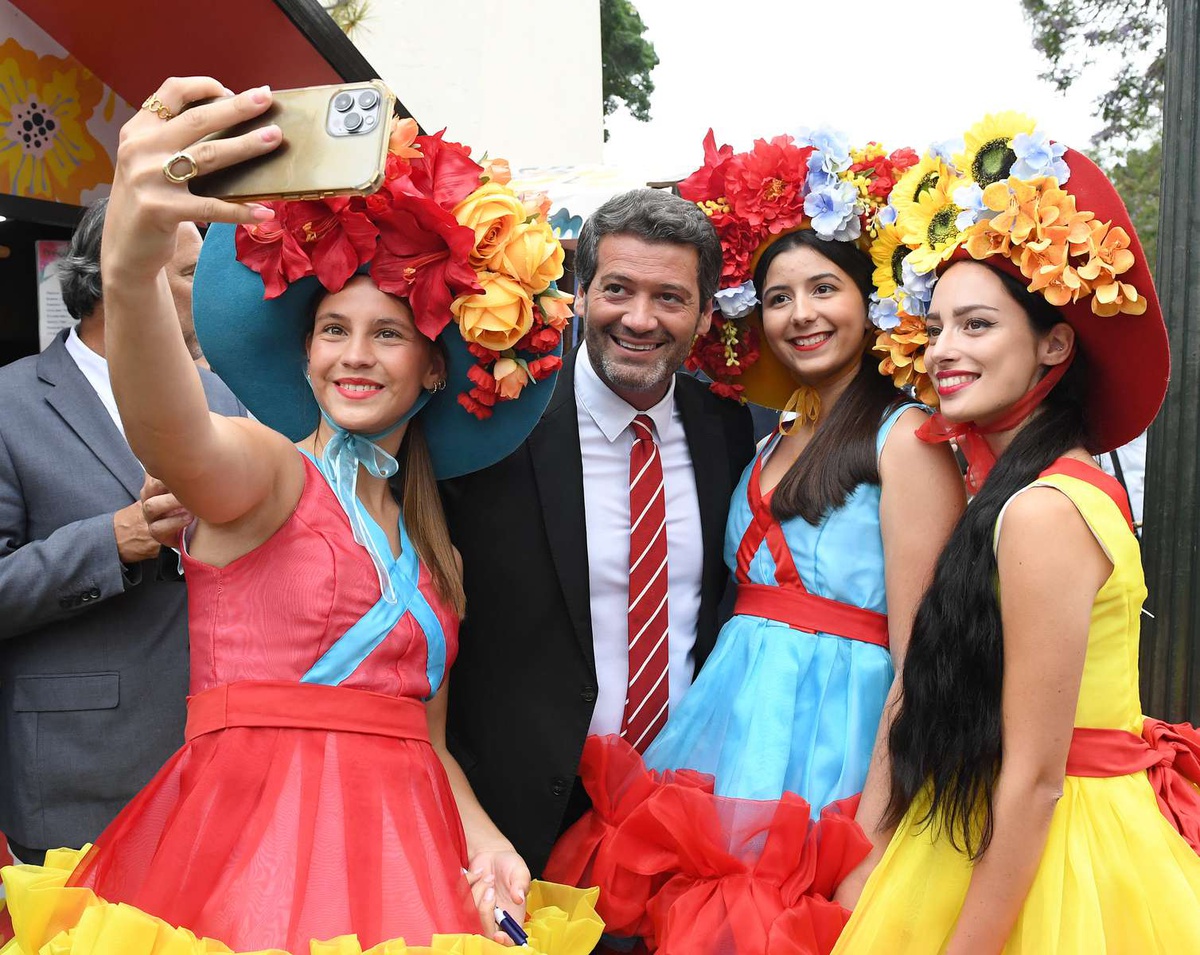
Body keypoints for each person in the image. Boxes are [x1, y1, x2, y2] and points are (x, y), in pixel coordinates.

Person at [0, 78, 601, 955]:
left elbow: (423, 742)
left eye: (388, 333)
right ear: (305, 351)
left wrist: (487, 838)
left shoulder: (432, 546)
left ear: (435, 368)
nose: (355, 354)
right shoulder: (268, 468)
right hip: (247, 878)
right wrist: (130, 261)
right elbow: (170, 429)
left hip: (406, 880)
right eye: (332, 329)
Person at [544, 130, 966, 953]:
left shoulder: (906, 438)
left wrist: (871, 834)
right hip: (731, 739)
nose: (800, 314)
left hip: (831, 754)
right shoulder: (769, 435)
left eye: (824, 289)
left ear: (871, 299)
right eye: (777, 297)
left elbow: (925, 661)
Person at [833, 117, 1200, 953]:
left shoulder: (1042, 510)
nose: (943, 352)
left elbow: (1035, 781)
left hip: (1056, 850)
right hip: (994, 833)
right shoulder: (1031, 493)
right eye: (937, 329)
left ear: (1054, 344)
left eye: (977, 326)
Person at [438, 189, 756, 879]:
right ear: (579, 295)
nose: (639, 319)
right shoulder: (497, 421)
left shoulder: (730, 429)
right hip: (514, 825)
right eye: (617, 289)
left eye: (670, 298)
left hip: (679, 814)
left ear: (705, 315)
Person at [0, 197, 243, 869]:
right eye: (192, 274)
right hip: (78, 776)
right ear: (124, 277)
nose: (211, 294)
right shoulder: (10, 404)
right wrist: (116, 539)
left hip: (218, 767)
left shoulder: (225, 402)